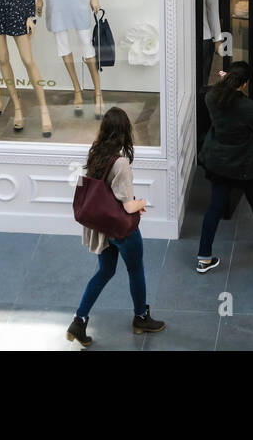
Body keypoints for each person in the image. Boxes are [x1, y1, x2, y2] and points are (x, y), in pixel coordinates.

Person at [66, 108, 166, 347]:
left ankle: (79, 320)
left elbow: (105, 194)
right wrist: (142, 203)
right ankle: (141, 318)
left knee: (104, 272)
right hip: (121, 230)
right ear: (124, 132)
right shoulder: (120, 163)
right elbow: (128, 206)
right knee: (135, 270)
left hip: (101, 227)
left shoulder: (96, 153)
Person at [196, 62, 253, 272]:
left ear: (226, 77)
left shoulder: (211, 97)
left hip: (218, 161)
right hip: (244, 162)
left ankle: (204, 257)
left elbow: (218, 94)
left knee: (214, 208)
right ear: (245, 84)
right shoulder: (246, 106)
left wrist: (222, 83)